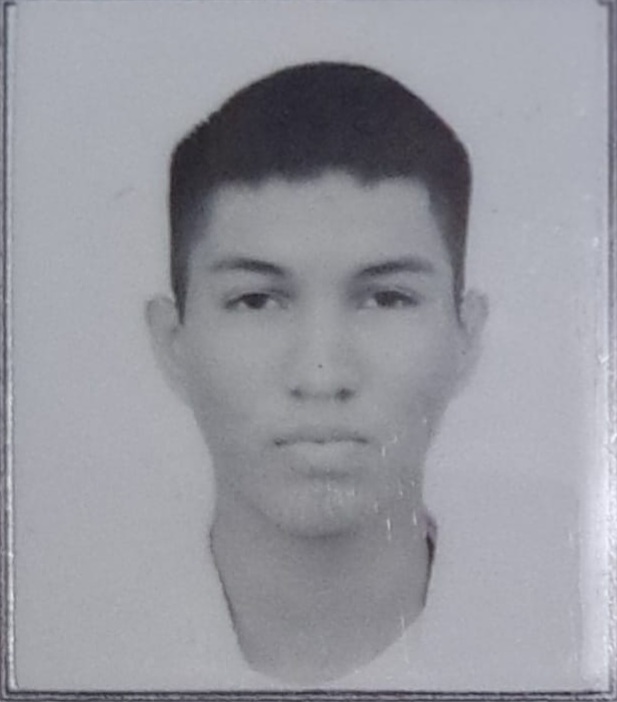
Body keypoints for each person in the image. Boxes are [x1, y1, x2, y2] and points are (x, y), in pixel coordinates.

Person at [146, 61, 489, 685]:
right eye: (256, 301)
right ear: (174, 344)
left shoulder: (562, 649)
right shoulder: (70, 642)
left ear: (465, 337)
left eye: (386, 298)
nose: (322, 375)